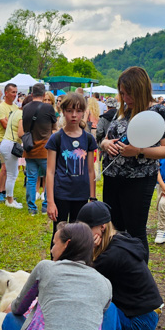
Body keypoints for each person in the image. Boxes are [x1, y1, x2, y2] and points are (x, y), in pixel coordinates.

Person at [100, 67, 165, 257]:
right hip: (112, 177)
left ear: (140, 89)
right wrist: (106, 144)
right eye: (122, 93)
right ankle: (117, 272)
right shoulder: (124, 111)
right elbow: (104, 138)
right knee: (113, 229)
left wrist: (139, 152)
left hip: (138, 179)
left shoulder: (158, 111)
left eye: (129, 93)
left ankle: (138, 278)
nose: (125, 98)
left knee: (134, 231)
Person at [77, 202, 163, 330]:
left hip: (140, 324)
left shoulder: (112, 255)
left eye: (86, 229)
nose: (83, 234)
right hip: (146, 316)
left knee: (90, 304)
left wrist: (86, 250)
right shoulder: (119, 240)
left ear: (102, 227)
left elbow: (80, 279)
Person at [46, 93, 98, 240]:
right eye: (69, 111)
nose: (74, 115)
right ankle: (56, 262)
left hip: (81, 195)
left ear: (84, 112)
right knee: (59, 234)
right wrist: (50, 202)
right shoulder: (56, 138)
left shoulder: (88, 139)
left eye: (78, 111)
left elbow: (90, 170)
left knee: (78, 236)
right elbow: (50, 171)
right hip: (61, 194)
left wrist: (92, 198)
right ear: (63, 112)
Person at [21, 83, 57, 216]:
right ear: (43, 94)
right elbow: (55, 128)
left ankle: (31, 207)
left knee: (31, 178)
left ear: (31, 94)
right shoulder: (48, 108)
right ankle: (45, 205)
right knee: (49, 176)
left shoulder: (25, 108)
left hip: (29, 148)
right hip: (45, 149)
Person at [0, 96, 29, 208]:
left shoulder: (16, 111)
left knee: (12, 173)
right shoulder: (22, 115)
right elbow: (21, 133)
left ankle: (10, 199)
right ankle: (10, 201)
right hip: (11, 145)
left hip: (6, 143)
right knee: (12, 175)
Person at [0, 83, 18, 203]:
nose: (15, 94)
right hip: (1, 140)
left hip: (13, 141)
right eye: (13, 92)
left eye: (16, 92)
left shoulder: (15, 108)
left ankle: (7, 193)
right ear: (6, 93)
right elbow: (5, 125)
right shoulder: (1, 107)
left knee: (11, 169)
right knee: (4, 168)